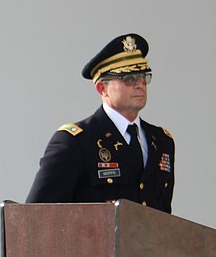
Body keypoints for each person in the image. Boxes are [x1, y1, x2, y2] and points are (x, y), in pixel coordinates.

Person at [26, 33, 175, 212]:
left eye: (144, 77)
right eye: (129, 79)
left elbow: (164, 216)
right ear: (102, 88)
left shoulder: (161, 141)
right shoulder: (75, 141)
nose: (140, 85)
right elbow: (35, 217)